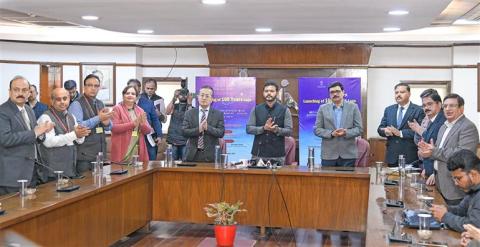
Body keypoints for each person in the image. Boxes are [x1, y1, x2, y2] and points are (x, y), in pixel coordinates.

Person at [419, 93, 479, 205]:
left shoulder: (468, 126)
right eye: (445, 106)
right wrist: (428, 153)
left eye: (452, 106)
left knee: (454, 219)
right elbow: (438, 152)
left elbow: (463, 155)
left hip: (455, 188)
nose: (448, 109)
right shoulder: (444, 126)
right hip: (439, 183)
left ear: (461, 108)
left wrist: (434, 151)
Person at [0, 76, 54, 195]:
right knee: (14, 212)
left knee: (31, 210)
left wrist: (41, 133)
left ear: (29, 93)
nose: (20, 93)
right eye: (16, 89)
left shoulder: (29, 110)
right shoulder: (3, 111)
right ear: (10, 92)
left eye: (24, 90)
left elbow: (34, 135)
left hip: (31, 171)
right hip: (12, 175)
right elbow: (5, 139)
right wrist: (35, 132)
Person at [38, 88, 90, 179]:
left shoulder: (71, 116)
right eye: (58, 99)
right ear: (52, 101)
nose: (62, 102)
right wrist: (74, 135)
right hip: (53, 169)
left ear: (69, 99)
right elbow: (49, 142)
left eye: (65, 98)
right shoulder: (45, 117)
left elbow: (78, 141)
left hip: (70, 167)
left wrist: (81, 135)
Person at [69, 74, 114, 174]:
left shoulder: (100, 103)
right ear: (84, 87)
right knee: (86, 187)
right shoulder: (76, 104)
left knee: (101, 185)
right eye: (90, 85)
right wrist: (99, 118)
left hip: (100, 154)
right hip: (84, 156)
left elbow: (109, 127)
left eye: (96, 86)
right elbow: (78, 126)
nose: (93, 88)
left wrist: (107, 123)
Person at [429, 150, 480, 232]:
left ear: (473, 174)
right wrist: (445, 209)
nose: (456, 183)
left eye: (459, 178)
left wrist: (445, 216)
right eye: (454, 179)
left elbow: (474, 227)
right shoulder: (473, 188)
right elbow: (461, 210)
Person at [314, 82, 363, 167]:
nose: (335, 94)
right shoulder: (322, 108)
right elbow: (317, 129)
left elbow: (359, 129)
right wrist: (331, 133)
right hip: (328, 155)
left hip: (348, 155)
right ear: (329, 95)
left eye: (337, 91)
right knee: (328, 180)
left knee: (347, 180)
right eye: (332, 92)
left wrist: (346, 132)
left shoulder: (353, 107)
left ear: (343, 92)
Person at [377, 82, 424, 166]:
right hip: (392, 156)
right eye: (396, 92)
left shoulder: (418, 110)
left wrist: (401, 133)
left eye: (402, 92)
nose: (398, 95)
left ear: (409, 94)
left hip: (410, 157)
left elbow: (421, 132)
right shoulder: (389, 110)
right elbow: (380, 128)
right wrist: (385, 131)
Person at [246, 81, 292, 165]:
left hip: (277, 155)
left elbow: (289, 131)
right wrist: (263, 128)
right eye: (266, 91)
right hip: (258, 154)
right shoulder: (256, 109)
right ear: (263, 93)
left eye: (272, 91)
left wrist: (276, 130)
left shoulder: (285, 110)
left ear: (276, 93)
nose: (269, 93)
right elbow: (249, 129)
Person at [408, 89, 445, 182]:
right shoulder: (430, 119)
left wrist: (434, 172)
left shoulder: (443, 120)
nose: (426, 108)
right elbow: (420, 141)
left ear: (439, 104)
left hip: (438, 172)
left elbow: (438, 147)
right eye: (424, 105)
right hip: (426, 166)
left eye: (430, 104)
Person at [182, 85, 225, 162]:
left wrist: (208, 128)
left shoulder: (218, 114)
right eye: (202, 95)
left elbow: (221, 133)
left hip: (211, 156)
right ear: (198, 97)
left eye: (207, 96)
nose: (204, 98)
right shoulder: (189, 113)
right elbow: (184, 132)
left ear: (212, 99)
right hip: (192, 155)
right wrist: (199, 129)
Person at [111, 86, 152, 164]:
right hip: (122, 148)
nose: (130, 95)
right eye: (127, 93)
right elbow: (114, 128)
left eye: (133, 94)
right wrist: (133, 124)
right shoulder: (117, 109)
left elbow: (148, 131)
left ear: (136, 97)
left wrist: (142, 124)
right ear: (123, 95)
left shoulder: (140, 110)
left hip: (137, 147)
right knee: (122, 175)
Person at [127, 79, 162, 160]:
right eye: (129, 87)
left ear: (139, 88)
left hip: (148, 136)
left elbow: (155, 120)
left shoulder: (148, 103)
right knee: (133, 162)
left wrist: (159, 135)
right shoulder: (123, 104)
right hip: (131, 136)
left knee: (151, 159)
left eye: (134, 87)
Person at [166, 88, 193, 160]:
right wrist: (174, 98)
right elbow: (167, 112)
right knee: (171, 163)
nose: (183, 96)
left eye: (185, 94)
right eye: (181, 94)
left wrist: (190, 102)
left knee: (185, 162)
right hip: (173, 139)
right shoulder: (174, 106)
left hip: (185, 140)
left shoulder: (191, 108)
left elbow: (191, 119)